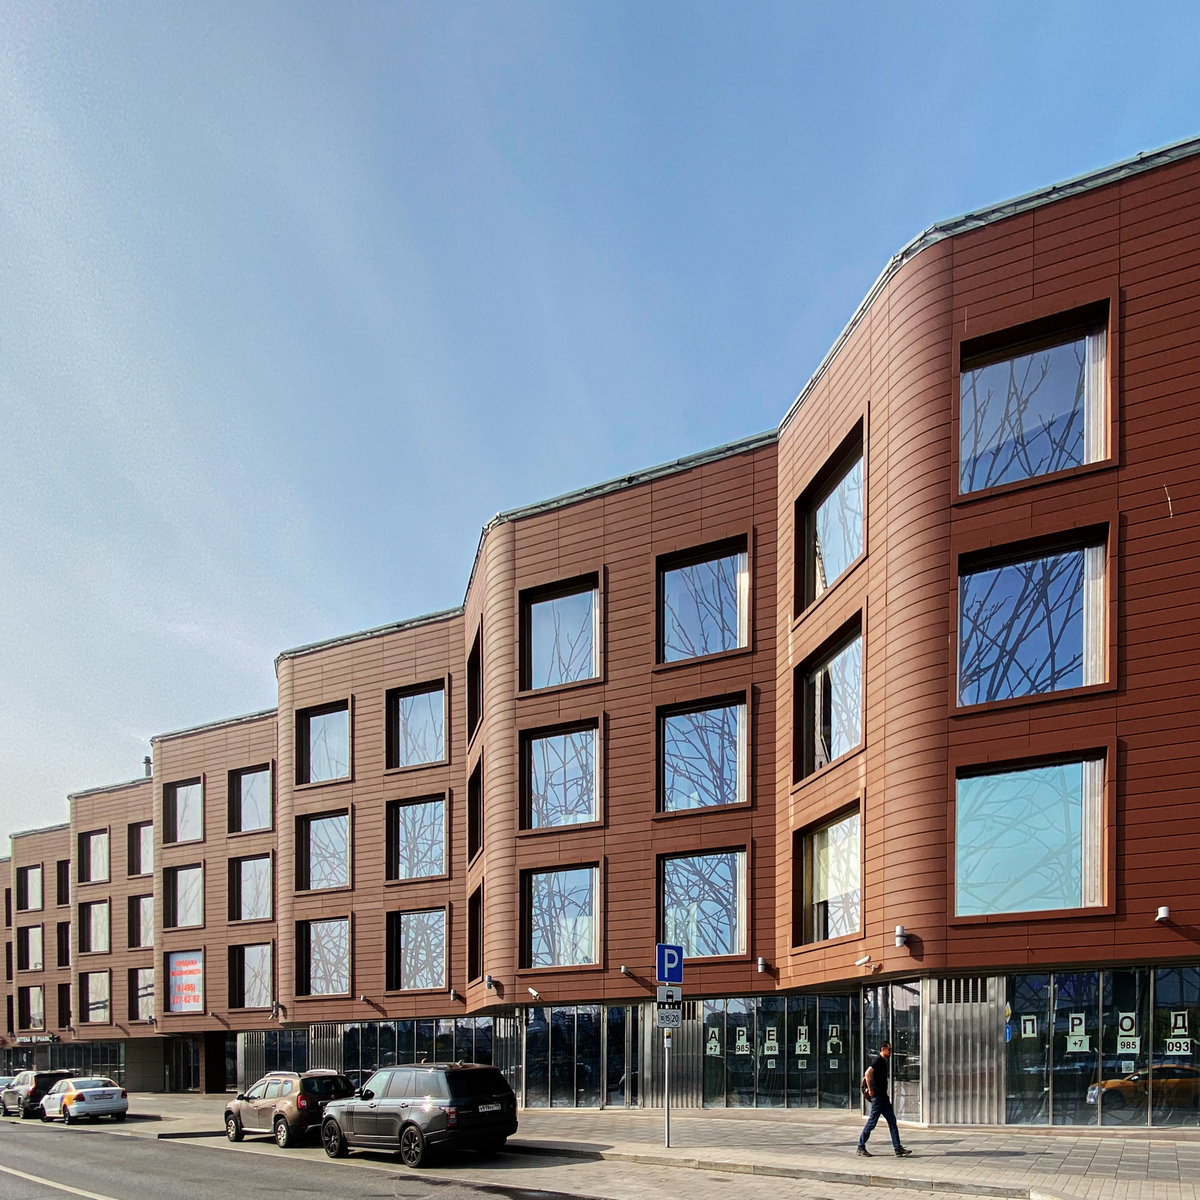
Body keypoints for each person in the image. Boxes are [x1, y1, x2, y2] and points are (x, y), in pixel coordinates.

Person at [857, 1042, 912, 1157]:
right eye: (889, 1049)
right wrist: (870, 1090)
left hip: (884, 1098)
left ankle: (898, 1148)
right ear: (883, 1049)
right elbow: (867, 1073)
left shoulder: (883, 1062)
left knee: (892, 1122)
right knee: (872, 1123)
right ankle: (861, 1146)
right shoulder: (878, 1061)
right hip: (878, 1099)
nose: (891, 1052)